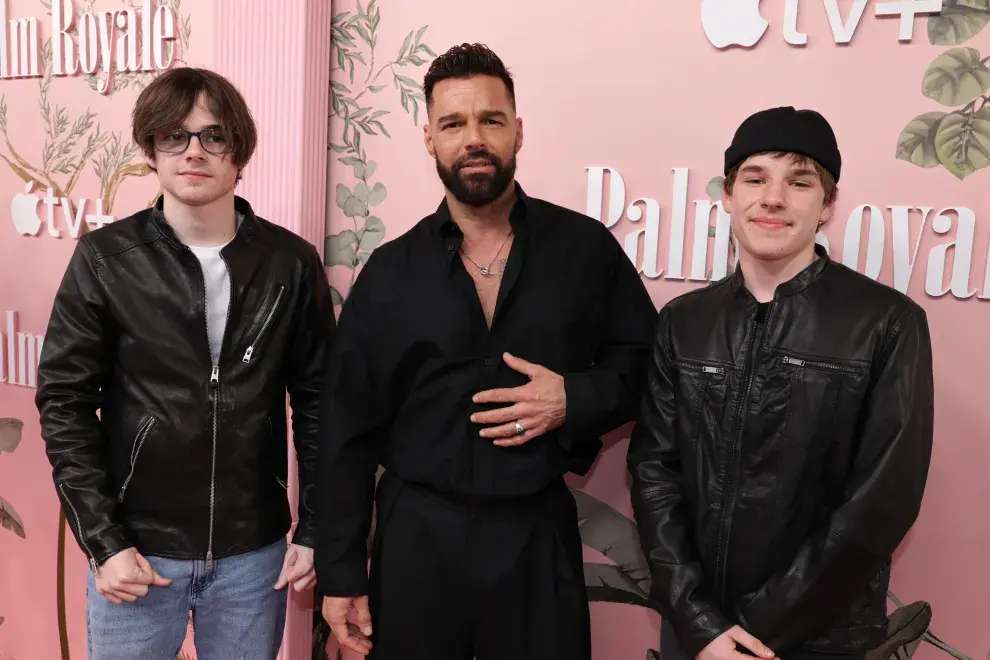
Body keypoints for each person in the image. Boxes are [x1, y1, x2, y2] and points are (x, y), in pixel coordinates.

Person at [315, 43, 657, 660]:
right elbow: (346, 431)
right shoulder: (390, 273)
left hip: (535, 535)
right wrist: (340, 574)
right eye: (454, 123)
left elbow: (647, 367)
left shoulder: (585, 251)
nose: (474, 138)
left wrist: (573, 398)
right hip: (416, 538)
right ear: (429, 138)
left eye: (491, 120)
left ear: (518, 130)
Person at [35, 67, 335, 660]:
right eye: (175, 135)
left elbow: (322, 406)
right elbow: (64, 403)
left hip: (254, 557)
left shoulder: (291, 264)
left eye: (213, 135)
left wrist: (318, 529)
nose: (194, 151)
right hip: (138, 555)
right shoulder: (105, 259)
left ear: (239, 151)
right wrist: (103, 541)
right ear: (152, 148)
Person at [627, 106, 934, 660]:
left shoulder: (887, 323)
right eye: (755, 178)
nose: (773, 198)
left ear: (828, 204)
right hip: (698, 634)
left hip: (821, 639)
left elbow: (881, 503)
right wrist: (700, 622)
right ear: (727, 194)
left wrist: (755, 633)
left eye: (799, 181)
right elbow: (654, 473)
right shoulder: (683, 322)